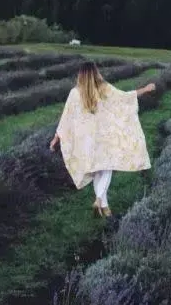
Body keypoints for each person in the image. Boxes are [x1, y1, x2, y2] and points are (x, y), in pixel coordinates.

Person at [49, 61, 156, 217]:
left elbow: (66, 117)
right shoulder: (103, 89)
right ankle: (99, 199)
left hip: (84, 141)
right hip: (102, 137)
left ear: (80, 75)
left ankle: (104, 207)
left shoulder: (74, 93)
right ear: (95, 73)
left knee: (98, 169)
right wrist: (145, 89)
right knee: (106, 166)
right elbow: (124, 98)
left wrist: (56, 137)